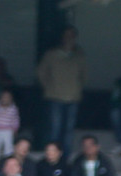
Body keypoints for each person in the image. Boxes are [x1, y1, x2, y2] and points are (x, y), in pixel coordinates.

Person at [36, 25, 86, 159]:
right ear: (62, 37)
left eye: (72, 35)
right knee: (54, 129)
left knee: (69, 131)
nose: (69, 38)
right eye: (67, 35)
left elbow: (84, 75)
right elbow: (41, 72)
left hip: (73, 97)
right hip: (55, 96)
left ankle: (65, 158)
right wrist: (49, 87)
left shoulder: (80, 55)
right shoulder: (51, 54)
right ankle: (52, 157)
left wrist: (77, 88)